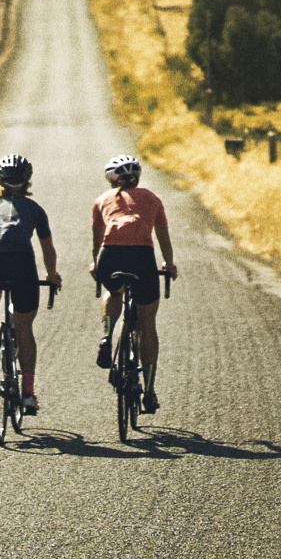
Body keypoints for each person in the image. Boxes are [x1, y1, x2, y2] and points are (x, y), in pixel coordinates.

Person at [0, 152, 61, 415]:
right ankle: (28, 395)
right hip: (22, 263)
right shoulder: (35, 210)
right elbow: (48, 250)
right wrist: (52, 274)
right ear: (27, 181)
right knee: (24, 327)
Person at [91, 152, 176, 413]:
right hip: (142, 257)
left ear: (111, 180)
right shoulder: (152, 198)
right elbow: (163, 237)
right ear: (136, 177)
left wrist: (96, 264)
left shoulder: (101, 201)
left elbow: (98, 241)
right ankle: (148, 391)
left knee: (115, 293)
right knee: (147, 324)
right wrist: (169, 264)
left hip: (110, 256)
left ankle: (107, 336)